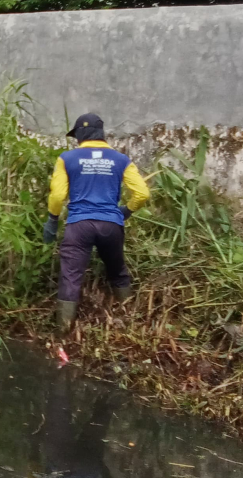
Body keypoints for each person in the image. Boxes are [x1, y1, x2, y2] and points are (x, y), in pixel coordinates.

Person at [43, 113, 150, 332]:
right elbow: (142, 194)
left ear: (81, 134)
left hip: (79, 225)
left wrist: (53, 219)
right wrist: (126, 211)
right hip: (111, 224)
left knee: (70, 277)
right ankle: (129, 323)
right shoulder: (121, 160)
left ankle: (63, 332)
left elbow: (57, 196)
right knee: (117, 270)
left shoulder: (67, 158)